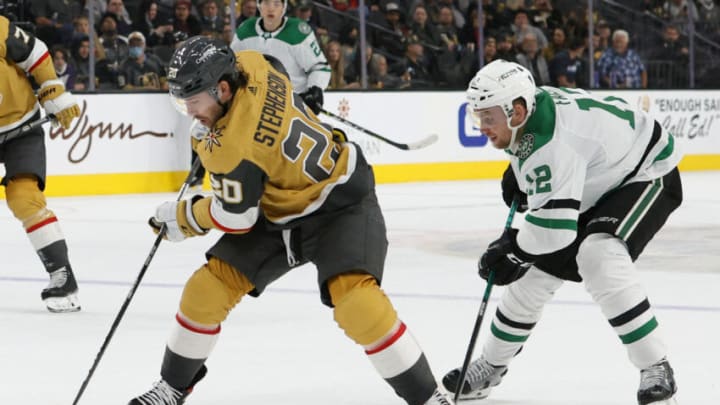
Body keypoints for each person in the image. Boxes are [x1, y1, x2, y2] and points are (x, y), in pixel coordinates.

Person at [128, 36, 453, 405]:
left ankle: (430, 399)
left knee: (358, 305)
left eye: (193, 101)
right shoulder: (251, 62)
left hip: (339, 205)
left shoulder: (232, 148)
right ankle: (172, 387)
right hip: (278, 208)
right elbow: (278, 69)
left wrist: (185, 216)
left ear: (222, 89)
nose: (189, 112)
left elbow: (235, 217)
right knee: (206, 291)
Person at [442, 60, 682, 405]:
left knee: (598, 254)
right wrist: (522, 177)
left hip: (646, 171)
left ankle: (655, 367)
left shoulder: (551, 142)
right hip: (596, 175)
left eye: (487, 117)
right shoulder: (530, 111)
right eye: (477, 116)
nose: (481, 126)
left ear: (517, 110)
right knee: (533, 278)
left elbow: (553, 232)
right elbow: (546, 159)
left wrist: (513, 250)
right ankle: (491, 366)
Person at [0, 15, 82, 312]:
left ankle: (62, 275)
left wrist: (51, 90)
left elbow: (35, 53)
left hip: (20, 124)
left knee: (23, 197)